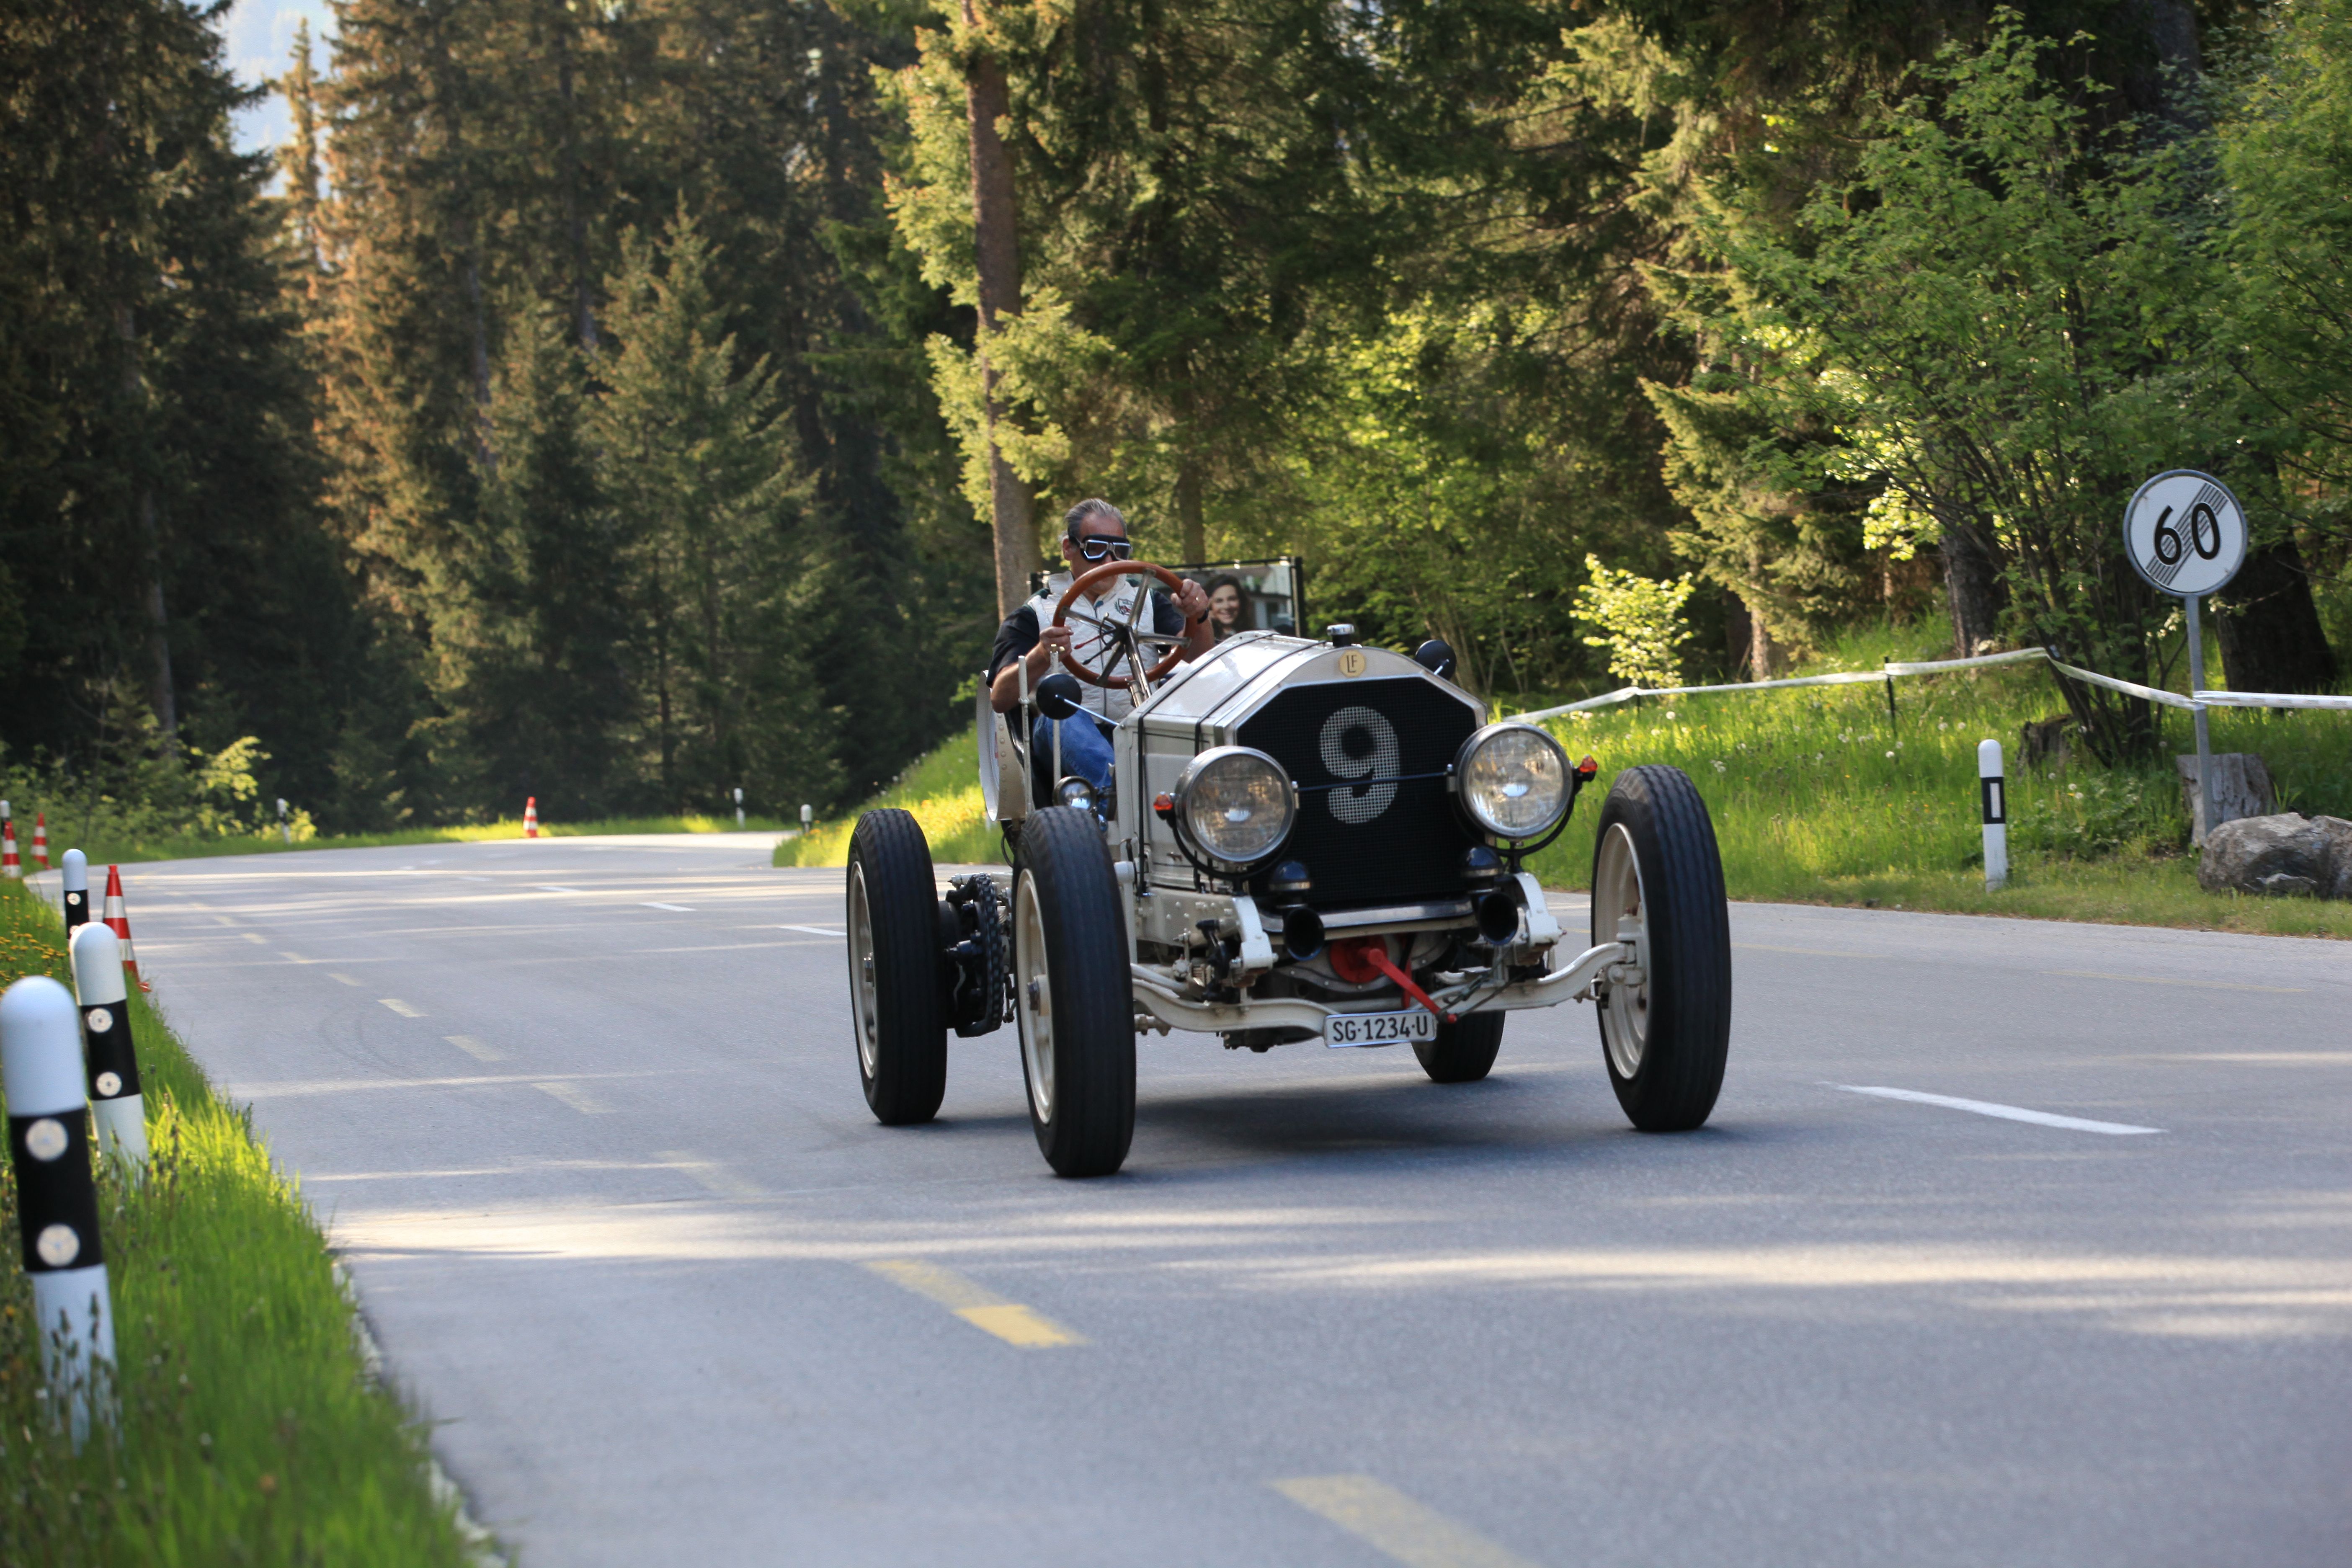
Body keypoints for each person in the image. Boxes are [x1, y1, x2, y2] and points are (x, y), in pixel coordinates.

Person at [988, 500, 1213, 803]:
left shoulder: (1145, 600)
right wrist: (1042, 655)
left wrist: (1199, 614)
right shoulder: (1036, 612)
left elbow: (1199, 655)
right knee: (1063, 714)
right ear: (1069, 548)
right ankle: (1123, 800)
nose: (1109, 560)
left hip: (1137, 724)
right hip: (1063, 733)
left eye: (1119, 551)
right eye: (1096, 548)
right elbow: (1000, 697)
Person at [1202, 573, 1246, 641]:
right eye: (1219, 601)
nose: (1227, 607)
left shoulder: (1254, 635)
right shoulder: (1201, 639)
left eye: (1232, 599)